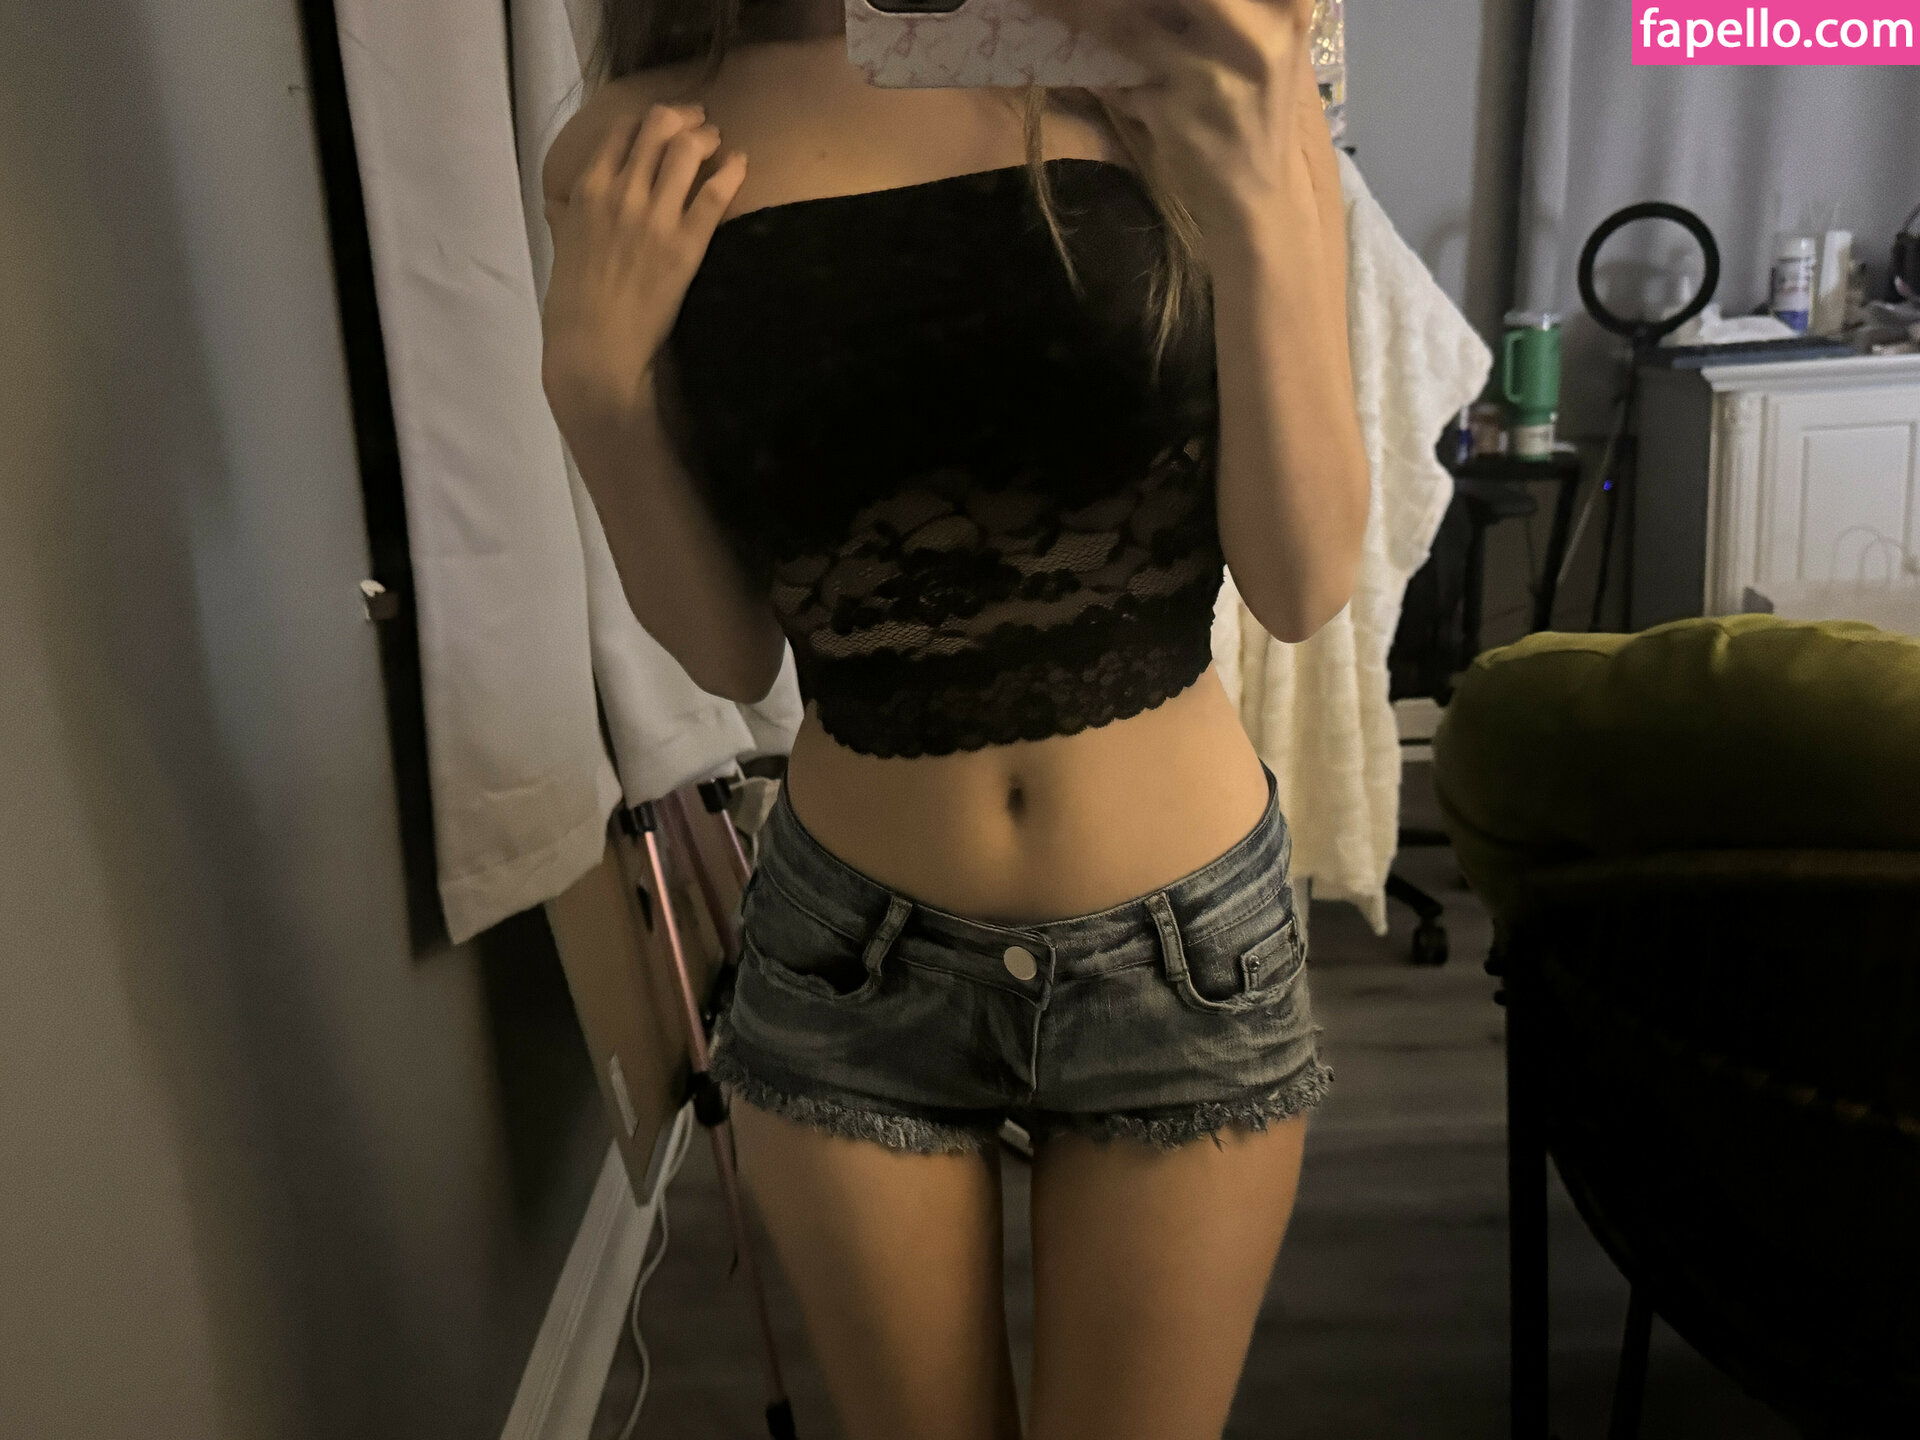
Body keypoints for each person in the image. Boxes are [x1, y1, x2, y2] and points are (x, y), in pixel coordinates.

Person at [539, 1, 1369, 1435]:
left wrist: (1259, 205)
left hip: (1184, 954)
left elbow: (1301, 584)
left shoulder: (1191, 62)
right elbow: (733, 653)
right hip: (849, 969)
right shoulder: (641, 142)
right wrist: (595, 397)